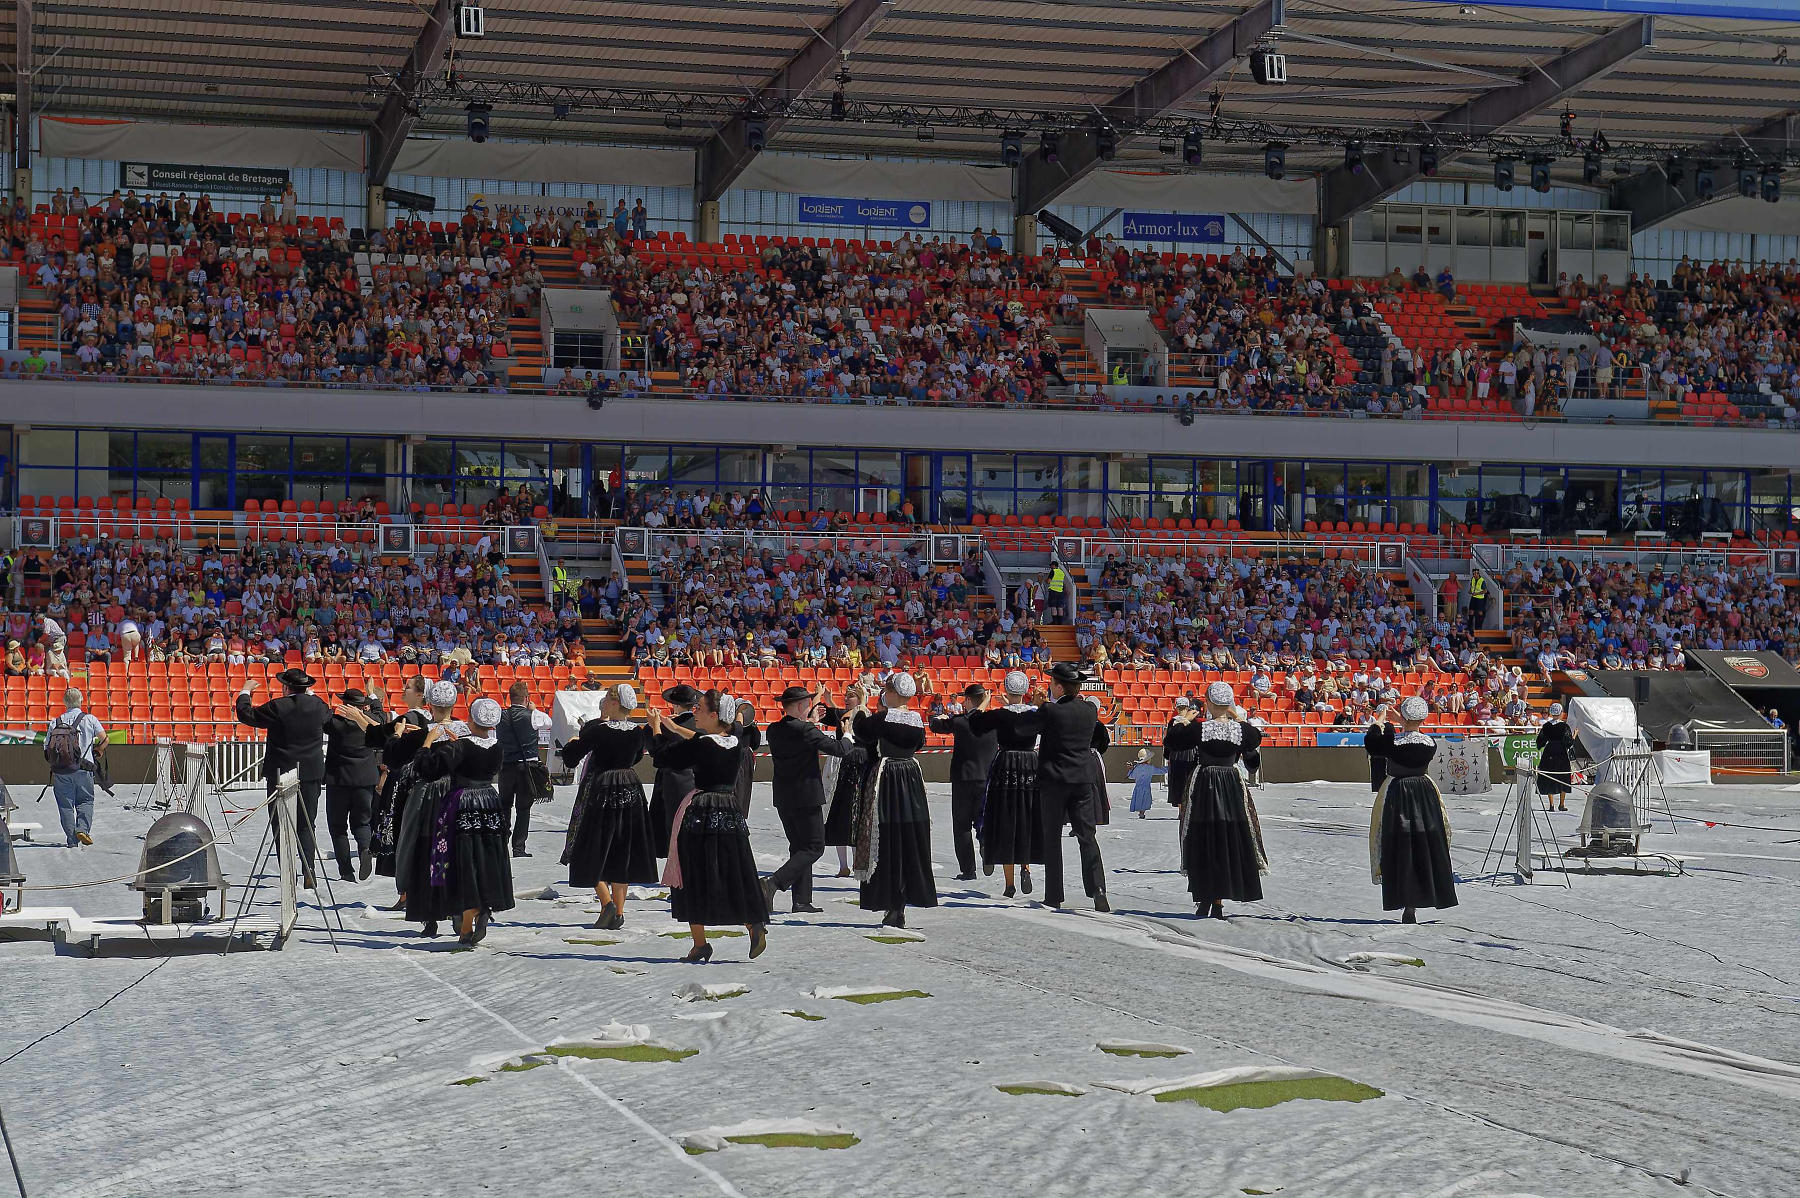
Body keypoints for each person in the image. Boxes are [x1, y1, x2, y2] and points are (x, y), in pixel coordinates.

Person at [653, 691, 769, 963]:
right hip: (730, 810)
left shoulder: (703, 745)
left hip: (701, 813)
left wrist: (657, 727)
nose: (695, 712)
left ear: (715, 715)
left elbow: (662, 757)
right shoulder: (735, 738)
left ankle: (700, 944)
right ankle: (752, 923)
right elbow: (706, 738)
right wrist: (674, 726)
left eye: (700, 709)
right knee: (734, 869)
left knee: (693, 872)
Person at [409, 698, 515, 945]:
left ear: (471, 718)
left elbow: (428, 769)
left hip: (463, 803)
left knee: (464, 860)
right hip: (489, 801)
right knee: (486, 857)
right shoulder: (497, 746)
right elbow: (476, 760)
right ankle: (484, 906)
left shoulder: (460, 747)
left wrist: (426, 743)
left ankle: (467, 925)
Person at [560, 683, 655, 930]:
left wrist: (573, 741)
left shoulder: (599, 731)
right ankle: (620, 912)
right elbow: (636, 758)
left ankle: (607, 902)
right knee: (622, 849)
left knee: (590, 845)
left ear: (614, 703)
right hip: (630, 788)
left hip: (601, 787)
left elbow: (571, 758)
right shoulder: (638, 732)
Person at [851, 672, 938, 928]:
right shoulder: (917, 721)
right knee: (909, 836)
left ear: (893, 693)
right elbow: (919, 744)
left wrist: (862, 705)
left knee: (885, 838)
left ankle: (890, 903)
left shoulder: (882, 718)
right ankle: (901, 902)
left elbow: (861, 732)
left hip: (887, 778)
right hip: (910, 776)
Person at [235, 667, 332, 888]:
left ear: (286, 687)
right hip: (311, 772)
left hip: (281, 772)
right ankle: (310, 871)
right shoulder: (318, 706)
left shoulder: (278, 706)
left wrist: (245, 691)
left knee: (281, 825)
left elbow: (247, 715)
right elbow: (328, 717)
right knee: (307, 824)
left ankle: (288, 873)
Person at [1365, 696, 1457, 923]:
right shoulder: (1429, 744)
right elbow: (1410, 736)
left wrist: (1381, 721)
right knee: (1426, 843)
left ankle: (1405, 900)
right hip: (1425, 792)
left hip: (1398, 792)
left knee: (1400, 844)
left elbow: (1373, 744)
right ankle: (1425, 894)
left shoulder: (1392, 742)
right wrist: (1402, 722)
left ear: (1404, 717)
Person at [1180, 682, 1267, 919]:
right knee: (1228, 838)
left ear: (1207, 702)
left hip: (1205, 785)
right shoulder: (1242, 731)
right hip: (1231, 786)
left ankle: (1205, 897)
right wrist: (1236, 716)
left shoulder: (1199, 729)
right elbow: (1253, 750)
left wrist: (1185, 718)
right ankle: (1218, 900)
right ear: (1229, 704)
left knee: (1203, 838)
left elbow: (1174, 740)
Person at [763, 684, 850, 914]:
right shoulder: (807, 731)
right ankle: (774, 882)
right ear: (802, 706)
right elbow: (840, 749)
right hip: (807, 796)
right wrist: (848, 733)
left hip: (784, 796)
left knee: (799, 847)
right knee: (814, 847)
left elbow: (799, 733)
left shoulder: (774, 729)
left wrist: (810, 721)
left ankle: (801, 900)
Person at [1035, 661, 1111, 911]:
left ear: (1058, 687)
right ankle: (1098, 890)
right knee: (1087, 836)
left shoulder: (1050, 710)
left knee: (1052, 838)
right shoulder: (1090, 709)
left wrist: (1037, 708)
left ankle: (1054, 894)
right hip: (1082, 779)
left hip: (1055, 780)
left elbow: (1026, 728)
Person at [389, 680, 463, 921]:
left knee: (419, 848)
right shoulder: (464, 732)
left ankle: (426, 913)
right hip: (454, 795)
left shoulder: (422, 733)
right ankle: (456, 907)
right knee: (452, 849)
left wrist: (398, 736)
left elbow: (393, 756)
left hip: (425, 797)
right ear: (454, 704)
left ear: (429, 704)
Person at [967, 670, 1042, 898]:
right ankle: (1026, 867)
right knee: (1026, 818)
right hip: (1030, 765)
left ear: (1007, 691)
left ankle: (1009, 884)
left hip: (1006, 765)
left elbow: (975, 721)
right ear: (1025, 691)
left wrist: (987, 701)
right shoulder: (1035, 713)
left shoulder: (1000, 714)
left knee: (1006, 819)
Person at [929, 682, 999, 882]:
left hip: (963, 779)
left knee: (961, 826)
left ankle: (968, 870)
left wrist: (938, 717)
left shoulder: (960, 721)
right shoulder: (993, 721)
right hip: (987, 778)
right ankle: (986, 846)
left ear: (968, 700)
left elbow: (935, 725)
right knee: (984, 820)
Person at [370, 676, 432, 880]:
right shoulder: (427, 718)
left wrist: (369, 705)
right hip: (418, 780)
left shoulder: (410, 718)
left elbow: (382, 736)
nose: (403, 690)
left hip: (403, 782)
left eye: (408, 688)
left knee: (401, 832)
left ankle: (405, 890)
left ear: (419, 694)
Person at [322, 689, 382, 882]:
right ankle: (365, 848)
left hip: (338, 780)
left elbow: (321, 713)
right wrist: (372, 696)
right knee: (362, 822)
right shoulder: (372, 722)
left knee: (338, 827)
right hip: (365, 779)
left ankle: (346, 871)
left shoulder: (335, 723)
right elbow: (380, 712)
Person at [44, 688, 105, 848]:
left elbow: (46, 748)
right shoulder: (90, 719)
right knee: (85, 800)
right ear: (81, 701)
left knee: (65, 805)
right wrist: (98, 750)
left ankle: (72, 840)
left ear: (64, 702)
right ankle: (83, 829)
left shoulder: (55, 722)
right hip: (84, 768)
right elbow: (105, 739)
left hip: (61, 770)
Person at [822, 683, 870, 877]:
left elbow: (861, 716)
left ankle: (858, 862)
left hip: (859, 766)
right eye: (846, 696)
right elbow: (834, 713)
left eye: (851, 696)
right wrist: (828, 699)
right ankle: (843, 865)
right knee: (839, 813)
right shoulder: (844, 714)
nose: (847, 698)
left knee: (856, 814)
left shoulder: (863, 714)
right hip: (841, 768)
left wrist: (864, 700)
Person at [648, 684, 700, 853]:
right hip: (698, 779)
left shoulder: (668, 726)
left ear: (676, 704)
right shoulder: (700, 724)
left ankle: (677, 873)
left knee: (674, 826)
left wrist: (655, 725)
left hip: (674, 780)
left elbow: (657, 752)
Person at [495, 681, 544, 858]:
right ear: (526, 698)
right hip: (527, 767)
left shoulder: (500, 715)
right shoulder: (533, 715)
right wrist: (533, 709)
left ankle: (501, 844)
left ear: (509, 697)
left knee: (505, 805)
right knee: (524, 808)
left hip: (506, 766)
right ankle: (519, 848)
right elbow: (548, 723)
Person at [1162, 697, 1202, 853]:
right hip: (1190, 755)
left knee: (1178, 782)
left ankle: (1181, 809)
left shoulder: (1174, 721)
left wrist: (1168, 754)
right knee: (1188, 781)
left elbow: (1169, 740)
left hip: (1177, 755)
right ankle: (1186, 807)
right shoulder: (1193, 721)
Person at [1535, 702, 1575, 813]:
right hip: (1561, 752)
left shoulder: (1546, 726)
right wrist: (1574, 735)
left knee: (1549, 776)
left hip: (1549, 752)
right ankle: (1561, 804)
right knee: (1563, 777)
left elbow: (1540, 742)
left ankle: (1551, 804)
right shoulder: (1564, 726)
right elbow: (1568, 742)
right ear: (1561, 713)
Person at [1127, 749, 1165, 818]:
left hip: (1138, 787)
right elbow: (1161, 771)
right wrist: (1169, 768)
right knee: (1145, 800)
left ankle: (1140, 812)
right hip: (1146, 787)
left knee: (1138, 799)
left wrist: (1130, 770)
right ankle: (1142, 812)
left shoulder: (1136, 768)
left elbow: (1130, 776)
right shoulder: (1150, 768)